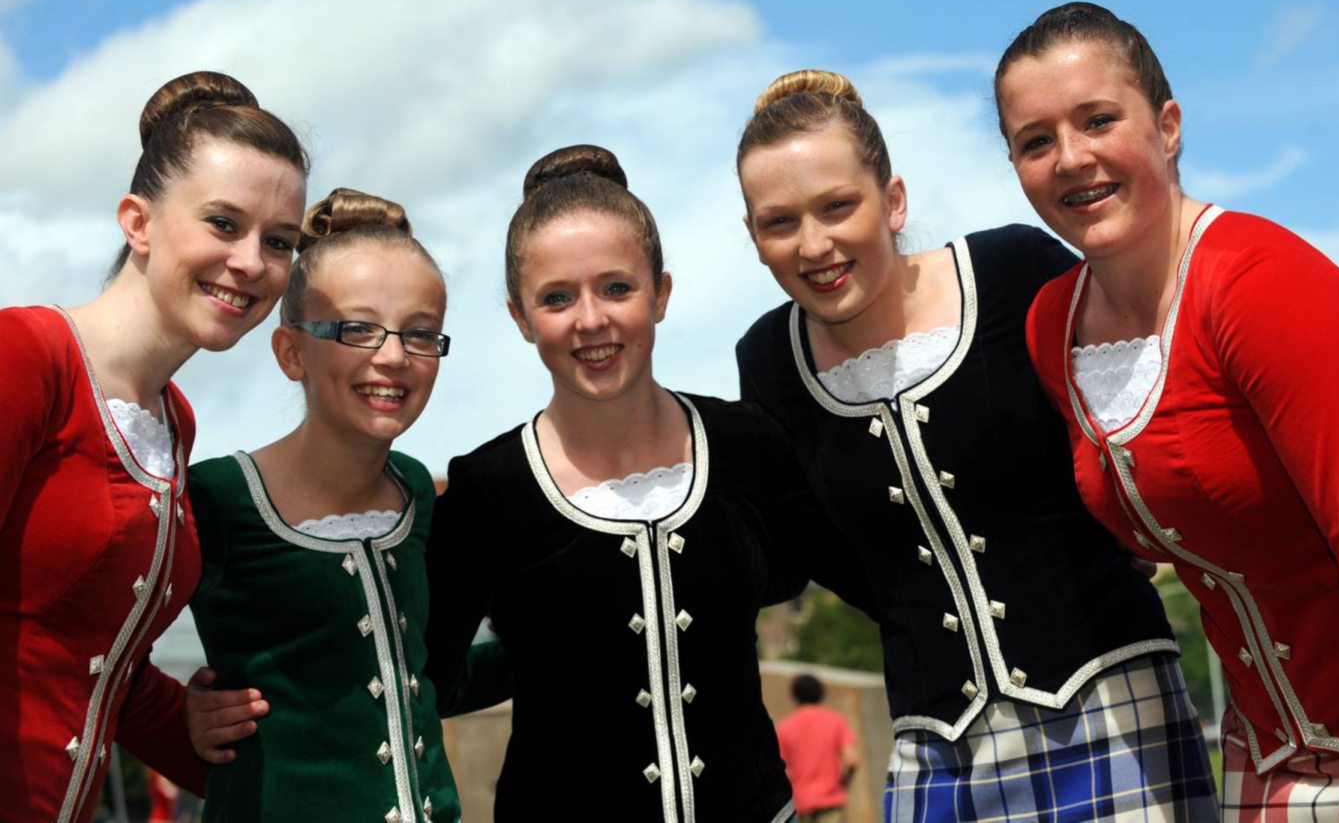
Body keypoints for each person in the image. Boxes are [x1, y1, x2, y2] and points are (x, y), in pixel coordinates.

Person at [733, 69, 1221, 823]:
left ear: (892, 201)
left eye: (838, 206)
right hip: (938, 750)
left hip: (1115, 709)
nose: (815, 244)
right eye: (780, 221)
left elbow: (1157, 340)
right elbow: (815, 542)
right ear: (752, 235)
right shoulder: (767, 362)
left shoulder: (1011, 271)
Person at [1002, 2, 1339, 821]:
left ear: (1168, 126)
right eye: (1035, 140)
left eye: (1099, 119)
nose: (1071, 158)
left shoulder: (1260, 282)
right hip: (1265, 752)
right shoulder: (1049, 327)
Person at [425, 144, 869, 823]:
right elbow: (423, 674)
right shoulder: (489, 489)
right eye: (556, 297)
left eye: (616, 287)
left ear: (661, 292)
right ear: (519, 317)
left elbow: (826, 572)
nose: (591, 319)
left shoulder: (748, 443)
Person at [0, 71, 307, 823]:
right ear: (137, 221)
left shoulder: (176, 420)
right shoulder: (26, 355)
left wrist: (188, 723)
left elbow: (90, 655)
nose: (251, 262)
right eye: (223, 223)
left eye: (279, 241)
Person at [183, 188, 508, 821]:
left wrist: (570, 638)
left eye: (420, 333)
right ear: (291, 352)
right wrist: (177, 714)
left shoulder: (417, 490)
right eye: (357, 328)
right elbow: (84, 641)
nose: (392, 356)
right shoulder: (215, 499)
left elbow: (427, 678)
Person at [776, 674, 858, 823]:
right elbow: (851, 760)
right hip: (832, 800)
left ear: (795, 695)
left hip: (801, 803)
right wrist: (844, 784)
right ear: (821, 693)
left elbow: (782, 770)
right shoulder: (836, 721)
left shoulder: (785, 727)